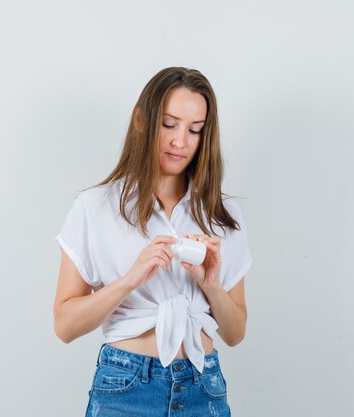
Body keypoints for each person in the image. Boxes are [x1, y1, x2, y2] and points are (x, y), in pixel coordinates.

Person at [53, 66, 252, 417]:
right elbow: (65, 325)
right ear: (142, 121)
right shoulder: (96, 208)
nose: (181, 141)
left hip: (203, 388)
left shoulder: (222, 214)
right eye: (169, 124)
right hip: (125, 388)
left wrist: (212, 287)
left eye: (195, 130)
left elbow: (235, 334)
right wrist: (131, 279)